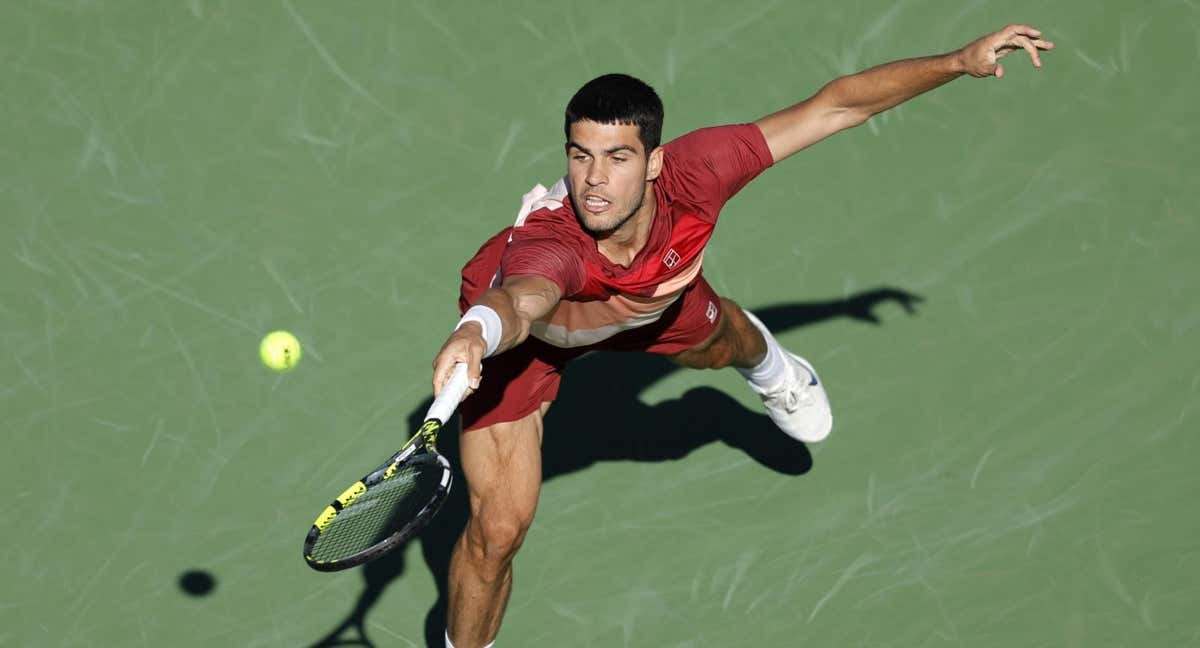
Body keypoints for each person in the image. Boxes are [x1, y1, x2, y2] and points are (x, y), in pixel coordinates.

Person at [431, 23, 1053, 648]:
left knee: (727, 340)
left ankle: (774, 370)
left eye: (617, 157)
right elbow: (523, 297)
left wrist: (956, 61)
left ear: (655, 162)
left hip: (654, 304)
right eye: (580, 154)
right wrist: (479, 332)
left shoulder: (702, 171)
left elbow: (837, 106)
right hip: (529, 342)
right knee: (498, 532)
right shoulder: (551, 242)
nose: (594, 179)